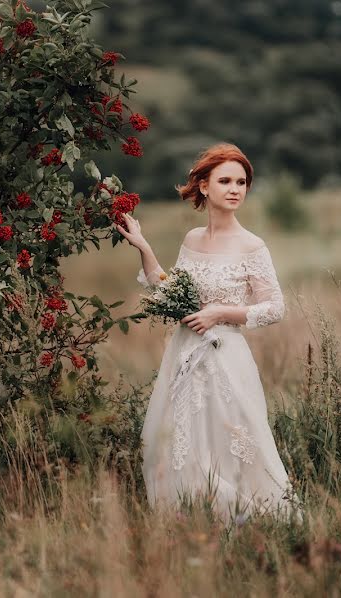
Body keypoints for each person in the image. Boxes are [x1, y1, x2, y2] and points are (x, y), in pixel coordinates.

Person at [115, 143, 298, 520]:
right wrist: (144, 247)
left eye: (242, 182)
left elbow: (275, 308)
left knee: (233, 440)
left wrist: (219, 312)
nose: (235, 189)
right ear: (203, 186)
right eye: (226, 180)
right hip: (184, 357)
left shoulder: (252, 245)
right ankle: (192, 521)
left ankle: (251, 522)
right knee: (182, 441)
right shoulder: (193, 240)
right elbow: (171, 293)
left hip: (226, 356)